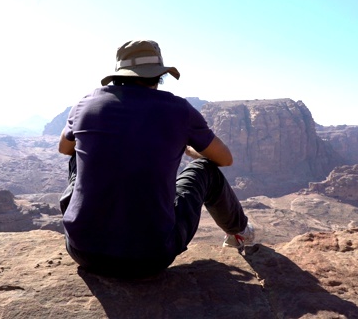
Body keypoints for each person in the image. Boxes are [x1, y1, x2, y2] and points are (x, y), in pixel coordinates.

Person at [58, 39, 254, 278]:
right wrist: (187, 149)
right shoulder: (179, 109)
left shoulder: (85, 104)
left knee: (76, 157)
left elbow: (64, 148)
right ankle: (240, 233)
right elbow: (224, 159)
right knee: (206, 169)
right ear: (158, 75)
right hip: (151, 256)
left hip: (82, 250)